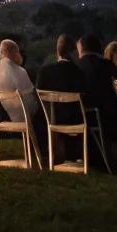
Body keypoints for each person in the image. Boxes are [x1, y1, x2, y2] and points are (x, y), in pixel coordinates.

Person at [76, 34, 117, 170]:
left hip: (82, 114)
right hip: (107, 115)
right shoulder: (104, 63)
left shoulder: (76, 66)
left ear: (82, 48)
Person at [37, 34, 84, 163]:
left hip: (49, 119)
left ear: (57, 51)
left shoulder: (45, 71)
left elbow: (39, 98)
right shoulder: (79, 73)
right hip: (74, 119)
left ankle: (48, 153)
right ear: (73, 52)